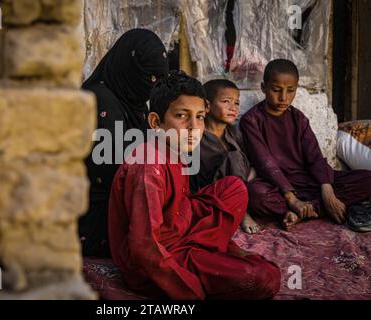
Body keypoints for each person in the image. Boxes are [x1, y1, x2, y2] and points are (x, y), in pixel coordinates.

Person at [108, 71, 281, 300]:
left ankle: (208, 251)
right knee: (263, 277)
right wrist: (190, 292)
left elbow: (181, 203)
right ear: (155, 122)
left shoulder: (175, 149)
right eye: (182, 116)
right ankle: (204, 256)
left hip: (179, 230)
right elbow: (144, 247)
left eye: (200, 117)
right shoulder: (148, 166)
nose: (194, 127)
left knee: (235, 188)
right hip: (156, 262)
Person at [240, 59, 371, 231]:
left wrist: (327, 189)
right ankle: (306, 209)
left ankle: (304, 211)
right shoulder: (251, 120)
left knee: (368, 179)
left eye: (291, 90)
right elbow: (265, 162)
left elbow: (314, 155)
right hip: (276, 184)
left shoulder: (298, 118)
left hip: (308, 179)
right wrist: (292, 199)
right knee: (255, 194)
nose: (283, 98)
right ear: (264, 88)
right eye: (276, 90)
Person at [79, 29, 169, 257]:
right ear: (129, 69)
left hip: (126, 197)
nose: (153, 85)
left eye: (159, 79)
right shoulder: (98, 100)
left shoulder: (135, 100)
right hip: (97, 209)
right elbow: (111, 168)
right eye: (149, 78)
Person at [190, 79, 260, 234]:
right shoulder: (197, 136)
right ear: (207, 106)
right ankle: (243, 213)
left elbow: (249, 161)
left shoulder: (235, 133)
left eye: (236, 103)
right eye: (226, 102)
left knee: (239, 160)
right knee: (233, 158)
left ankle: (241, 205)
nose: (233, 108)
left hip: (241, 187)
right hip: (212, 193)